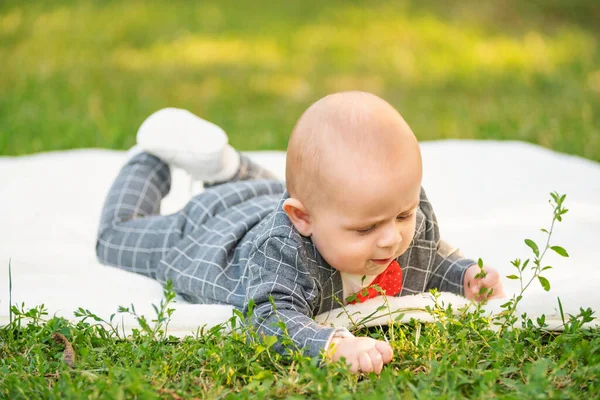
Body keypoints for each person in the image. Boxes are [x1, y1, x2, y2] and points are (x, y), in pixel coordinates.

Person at [96, 91, 504, 374]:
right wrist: (332, 345)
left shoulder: (389, 210)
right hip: (212, 229)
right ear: (301, 219)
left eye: (403, 214)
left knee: (311, 188)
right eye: (366, 228)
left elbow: (429, 257)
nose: (391, 239)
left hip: (278, 197)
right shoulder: (279, 256)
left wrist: (463, 274)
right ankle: (146, 159)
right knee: (115, 239)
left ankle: (227, 168)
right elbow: (271, 317)